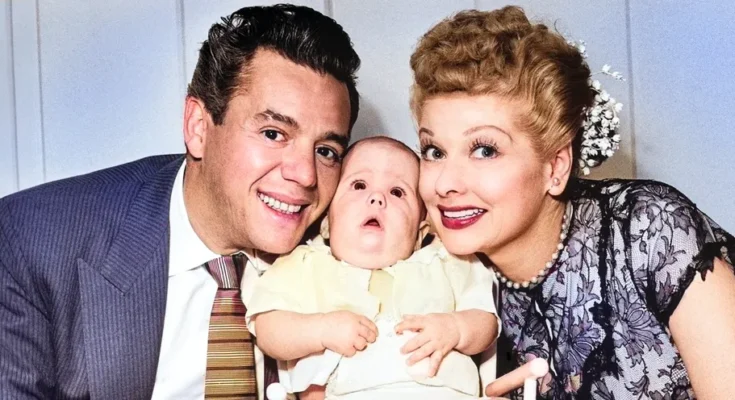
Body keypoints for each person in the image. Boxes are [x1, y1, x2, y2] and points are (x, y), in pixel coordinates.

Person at [0, 4, 360, 399]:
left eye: (326, 150)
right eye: (273, 133)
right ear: (198, 127)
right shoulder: (31, 241)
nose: (306, 175)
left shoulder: (353, 249)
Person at [409, 6, 735, 399]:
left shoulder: (649, 232)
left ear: (555, 166)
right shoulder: (427, 268)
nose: (445, 183)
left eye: (484, 150)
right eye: (433, 151)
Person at [247, 137, 500, 400]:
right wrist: (321, 329)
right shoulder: (304, 264)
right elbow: (269, 329)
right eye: (359, 185)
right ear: (327, 223)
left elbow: (486, 322)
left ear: (419, 234)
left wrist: (455, 329)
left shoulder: (447, 262)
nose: (377, 198)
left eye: (397, 192)